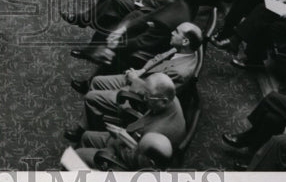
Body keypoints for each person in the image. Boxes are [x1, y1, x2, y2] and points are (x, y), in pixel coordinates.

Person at [69, 22, 203, 134]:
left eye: (177, 31)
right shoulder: (183, 50)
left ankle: (85, 130)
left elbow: (154, 97)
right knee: (96, 81)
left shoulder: (180, 72)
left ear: (185, 41)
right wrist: (141, 70)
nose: (172, 32)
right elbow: (159, 58)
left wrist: (134, 79)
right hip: (143, 78)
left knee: (91, 97)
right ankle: (92, 121)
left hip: (140, 98)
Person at [70, 73, 186, 167]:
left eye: (148, 96)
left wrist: (122, 138)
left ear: (163, 101)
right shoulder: (170, 97)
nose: (144, 99)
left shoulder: (158, 133)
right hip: (133, 138)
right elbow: (149, 92)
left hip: (127, 158)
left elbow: (138, 163)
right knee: (86, 136)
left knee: (76, 155)